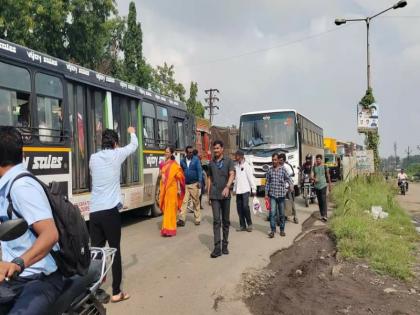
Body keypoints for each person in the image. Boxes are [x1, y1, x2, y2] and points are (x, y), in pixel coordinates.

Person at [0, 127, 64, 315]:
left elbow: (50, 234)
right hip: (13, 278)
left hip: (40, 278)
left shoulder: (22, 187)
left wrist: (18, 263)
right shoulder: (5, 187)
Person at [89, 127, 138, 303]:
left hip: (94, 212)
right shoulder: (117, 155)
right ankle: (117, 292)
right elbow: (134, 145)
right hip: (110, 212)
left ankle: (94, 289)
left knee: (96, 252)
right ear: (115, 144)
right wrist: (132, 131)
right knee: (114, 251)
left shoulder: (93, 158)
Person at [207, 140, 235, 258]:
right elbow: (209, 178)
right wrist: (208, 194)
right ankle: (217, 247)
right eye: (214, 148)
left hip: (225, 195)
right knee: (216, 221)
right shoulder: (211, 163)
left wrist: (227, 187)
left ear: (222, 149)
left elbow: (232, 174)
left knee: (226, 221)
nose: (216, 150)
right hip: (214, 195)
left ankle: (225, 245)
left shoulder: (228, 161)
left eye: (218, 148)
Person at [265, 153, 293, 238]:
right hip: (273, 195)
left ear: (278, 160)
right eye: (273, 160)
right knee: (272, 213)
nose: (274, 161)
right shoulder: (270, 170)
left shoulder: (283, 169)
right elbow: (267, 182)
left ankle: (282, 230)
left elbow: (289, 179)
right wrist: (266, 194)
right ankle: (273, 230)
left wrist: (290, 186)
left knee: (281, 214)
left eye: (275, 160)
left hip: (281, 195)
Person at [159, 147, 185, 236]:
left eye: (167, 152)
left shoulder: (175, 165)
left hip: (172, 190)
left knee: (171, 209)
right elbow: (160, 174)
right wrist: (162, 174)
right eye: (165, 151)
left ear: (171, 153)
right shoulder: (163, 163)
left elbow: (180, 176)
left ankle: (170, 229)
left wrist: (179, 187)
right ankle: (166, 228)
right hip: (165, 190)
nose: (166, 153)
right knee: (166, 209)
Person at [178, 146, 203, 226]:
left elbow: (199, 171)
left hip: (194, 184)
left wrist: (199, 181)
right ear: (186, 152)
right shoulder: (182, 161)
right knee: (184, 202)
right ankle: (182, 219)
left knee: (196, 201)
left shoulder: (196, 160)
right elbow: (181, 172)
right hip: (185, 184)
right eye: (189, 152)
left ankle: (197, 219)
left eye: (191, 152)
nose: (190, 153)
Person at [233, 150, 256, 232]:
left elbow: (251, 178)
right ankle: (242, 225)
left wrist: (254, 189)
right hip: (238, 191)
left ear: (241, 156)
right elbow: (236, 179)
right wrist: (234, 189)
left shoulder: (247, 166)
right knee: (239, 208)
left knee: (245, 207)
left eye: (237, 156)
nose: (236, 158)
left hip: (246, 190)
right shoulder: (236, 166)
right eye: (236, 156)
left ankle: (249, 224)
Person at [312, 154, 332, 222]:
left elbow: (328, 175)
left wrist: (330, 185)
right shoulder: (314, 167)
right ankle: (322, 215)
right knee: (319, 201)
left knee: (323, 200)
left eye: (319, 159)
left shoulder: (325, 166)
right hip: (317, 186)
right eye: (317, 159)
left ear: (321, 160)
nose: (318, 160)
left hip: (323, 185)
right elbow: (311, 176)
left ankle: (325, 216)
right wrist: (314, 179)